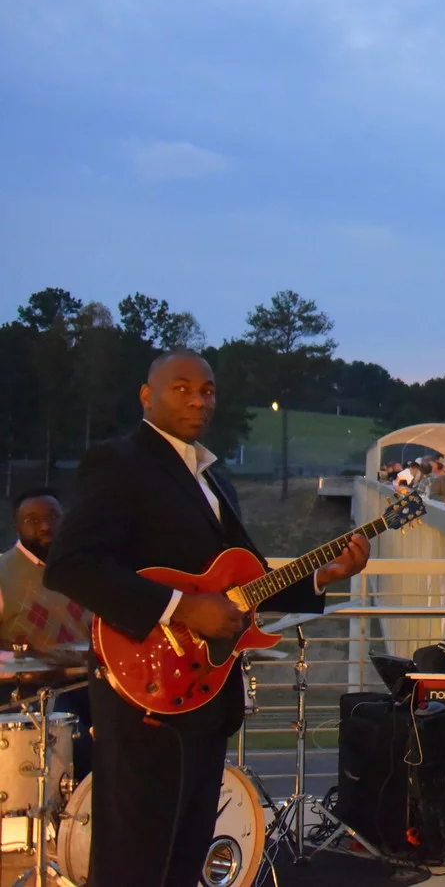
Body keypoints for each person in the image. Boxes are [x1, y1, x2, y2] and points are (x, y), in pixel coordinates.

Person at [44, 350, 370, 887]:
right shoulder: (118, 462)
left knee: (185, 854)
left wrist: (323, 576)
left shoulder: (214, 481)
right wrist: (181, 607)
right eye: (182, 388)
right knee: (135, 860)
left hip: (203, 697)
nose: (199, 399)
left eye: (209, 390)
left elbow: (244, 588)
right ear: (146, 396)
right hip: (144, 692)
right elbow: (73, 565)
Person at [3, 488, 95, 776]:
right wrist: (28, 660)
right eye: (32, 519)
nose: (45, 526)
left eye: (52, 517)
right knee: (79, 745)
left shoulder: (85, 569)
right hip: (33, 691)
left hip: (91, 681)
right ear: (17, 526)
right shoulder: (3, 573)